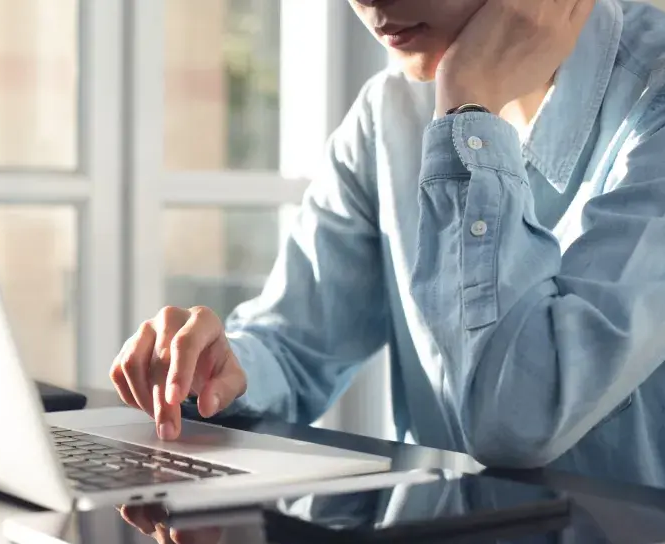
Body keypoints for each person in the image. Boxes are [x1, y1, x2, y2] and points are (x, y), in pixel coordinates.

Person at [109, 0, 665, 488]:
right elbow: (295, 347)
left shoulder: (653, 105)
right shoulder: (390, 111)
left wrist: (469, 112)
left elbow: (521, 420)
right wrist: (216, 366)